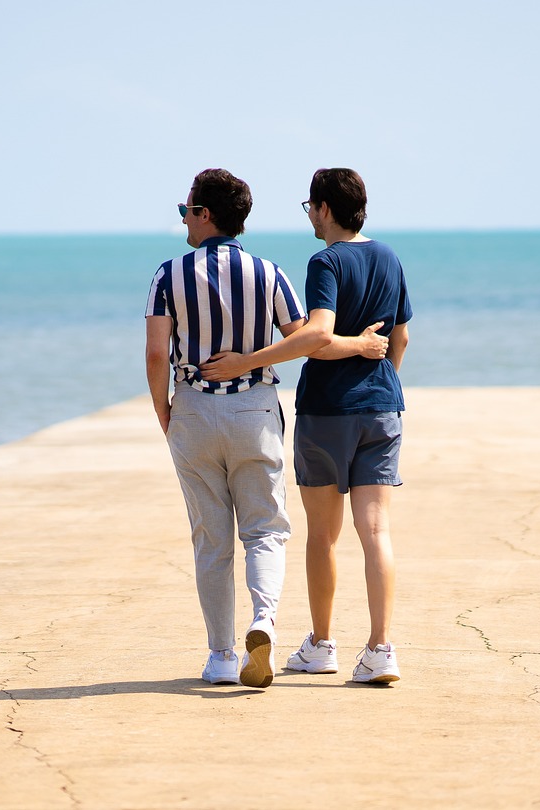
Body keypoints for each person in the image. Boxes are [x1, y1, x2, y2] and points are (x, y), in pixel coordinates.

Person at [202, 167, 411, 684]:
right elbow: (400, 338)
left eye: (309, 208)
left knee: (323, 535)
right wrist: (376, 382)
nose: (310, 218)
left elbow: (316, 334)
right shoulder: (389, 257)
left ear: (323, 208)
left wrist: (247, 361)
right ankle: (381, 649)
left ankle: (321, 644)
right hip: (383, 408)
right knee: (377, 531)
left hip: (326, 411)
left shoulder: (326, 261)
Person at [145, 168, 337, 688]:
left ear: (205, 214)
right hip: (254, 409)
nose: (184, 218)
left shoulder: (169, 275)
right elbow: (305, 340)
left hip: (193, 408)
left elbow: (158, 352)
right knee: (265, 530)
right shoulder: (270, 273)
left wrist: (165, 410)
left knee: (212, 539)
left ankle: (222, 657)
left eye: (186, 210)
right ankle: (264, 621)